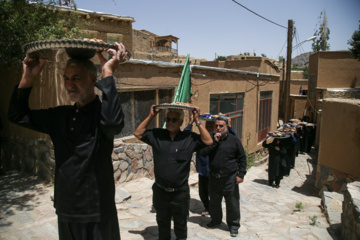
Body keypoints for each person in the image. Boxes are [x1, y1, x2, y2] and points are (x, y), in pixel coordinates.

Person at [8, 42, 127, 240]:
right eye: (66, 79)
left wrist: (108, 72)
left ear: (93, 80)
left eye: (76, 78)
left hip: (98, 212)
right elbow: (17, 115)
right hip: (67, 209)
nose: (69, 84)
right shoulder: (59, 116)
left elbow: (114, 124)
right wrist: (28, 77)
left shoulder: (102, 114)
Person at [133, 106, 213, 240]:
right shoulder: (158, 135)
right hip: (161, 191)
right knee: (162, 223)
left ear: (181, 122)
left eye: (174, 120)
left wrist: (198, 121)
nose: (170, 122)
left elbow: (208, 141)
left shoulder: (189, 138)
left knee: (180, 225)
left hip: (180, 194)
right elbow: (138, 133)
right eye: (168, 119)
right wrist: (151, 116)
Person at [199, 116, 247, 238]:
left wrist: (241, 174)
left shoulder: (234, 140)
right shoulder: (211, 139)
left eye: (221, 126)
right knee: (214, 202)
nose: (218, 128)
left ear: (226, 127)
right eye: (216, 126)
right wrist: (214, 142)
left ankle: (234, 225)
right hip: (214, 178)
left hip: (230, 178)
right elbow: (203, 153)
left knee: (232, 203)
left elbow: (242, 158)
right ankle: (215, 221)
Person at [184, 116, 236, 216]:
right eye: (206, 126)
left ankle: (214, 212)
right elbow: (185, 136)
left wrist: (229, 126)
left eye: (210, 126)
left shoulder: (217, 139)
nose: (208, 128)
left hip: (213, 172)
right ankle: (208, 208)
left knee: (214, 195)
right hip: (203, 171)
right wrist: (190, 123)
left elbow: (233, 138)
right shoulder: (200, 139)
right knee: (202, 194)